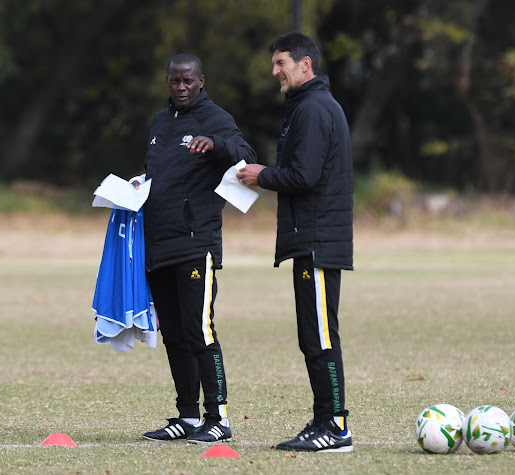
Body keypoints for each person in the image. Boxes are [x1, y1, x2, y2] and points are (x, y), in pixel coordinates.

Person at [237, 32, 354, 453]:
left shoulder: (314, 109)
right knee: (312, 335)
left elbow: (305, 177)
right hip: (310, 239)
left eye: (281, 63)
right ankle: (324, 417)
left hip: (319, 241)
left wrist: (260, 175)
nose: (275, 72)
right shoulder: (306, 107)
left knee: (320, 335)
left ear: (305, 65)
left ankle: (336, 427)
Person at [136, 53, 257, 444]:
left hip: (194, 243)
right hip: (158, 244)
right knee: (173, 333)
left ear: (201, 81)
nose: (182, 87)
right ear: (167, 81)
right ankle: (187, 416)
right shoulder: (158, 122)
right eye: (175, 81)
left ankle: (217, 417)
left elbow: (247, 158)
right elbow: (160, 176)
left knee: (199, 329)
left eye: (189, 81)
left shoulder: (215, 118)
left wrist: (218, 144)